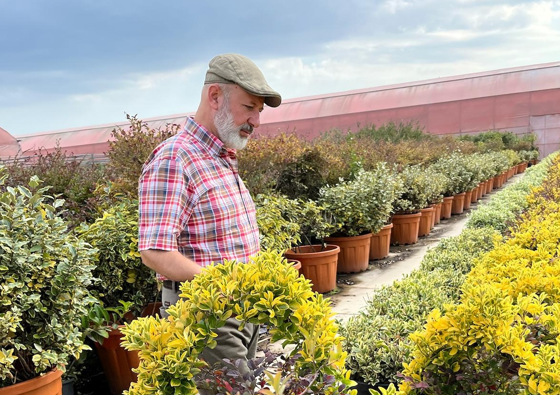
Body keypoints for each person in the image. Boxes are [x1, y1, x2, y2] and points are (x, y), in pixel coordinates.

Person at [137, 53, 281, 387]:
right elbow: (154, 252)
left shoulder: (219, 158)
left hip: (241, 313)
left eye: (259, 110)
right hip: (208, 317)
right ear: (215, 97)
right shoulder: (176, 158)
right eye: (249, 107)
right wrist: (224, 289)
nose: (256, 121)